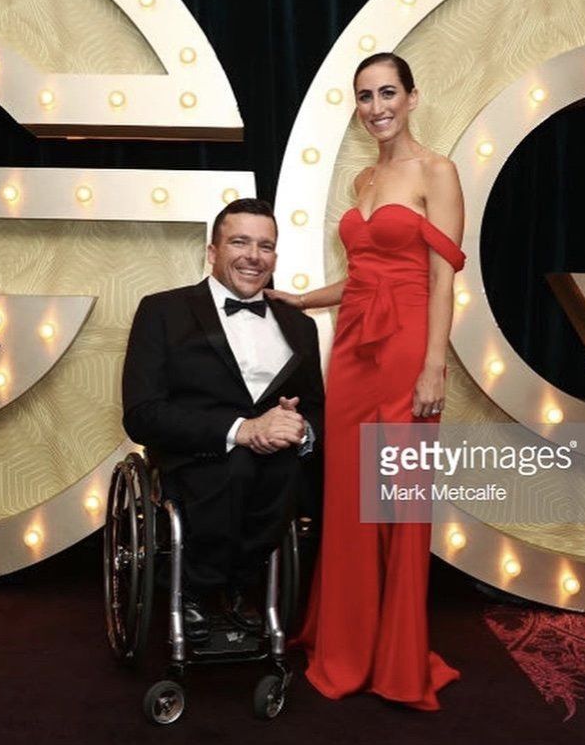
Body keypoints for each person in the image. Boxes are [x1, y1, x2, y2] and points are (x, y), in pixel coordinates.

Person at [266, 53, 464, 708]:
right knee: (351, 495)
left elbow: (442, 277)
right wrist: (305, 301)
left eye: (387, 93)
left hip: (409, 347)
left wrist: (435, 362)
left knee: (398, 501)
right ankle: (347, 640)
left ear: (412, 97)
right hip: (352, 350)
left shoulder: (438, 171)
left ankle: (397, 658)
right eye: (364, 96)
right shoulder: (362, 180)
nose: (376, 106)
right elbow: (358, 278)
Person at [122, 198, 323, 643]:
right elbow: (141, 413)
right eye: (240, 242)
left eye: (265, 246)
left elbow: (315, 408)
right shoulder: (162, 311)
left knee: (291, 469)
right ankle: (198, 587)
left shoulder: (299, 326)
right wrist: (242, 431)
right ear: (212, 252)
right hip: (197, 457)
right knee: (236, 466)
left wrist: (302, 428)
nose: (254, 255)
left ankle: (237, 586)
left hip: (276, 468)